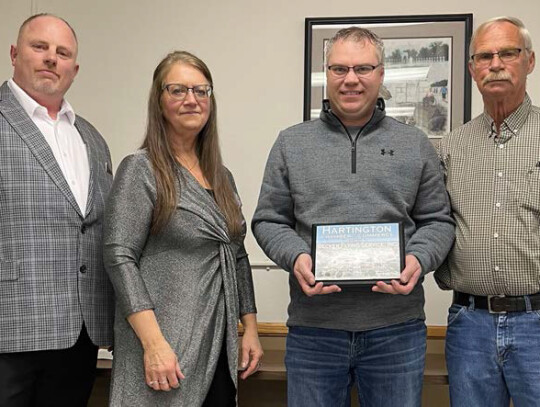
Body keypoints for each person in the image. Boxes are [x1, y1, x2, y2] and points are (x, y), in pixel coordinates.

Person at [252, 27, 454, 407]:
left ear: (381, 74)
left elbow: (438, 221)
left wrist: (418, 259)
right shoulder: (290, 143)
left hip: (396, 330)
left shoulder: (416, 144)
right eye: (339, 69)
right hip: (314, 331)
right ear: (326, 75)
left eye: (363, 68)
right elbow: (268, 220)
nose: (351, 80)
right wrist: (296, 257)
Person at [103, 50, 263, 407]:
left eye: (200, 90)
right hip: (165, 346)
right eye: (177, 90)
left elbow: (236, 254)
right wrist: (153, 343)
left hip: (219, 343)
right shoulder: (141, 170)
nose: (191, 99)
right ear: (159, 101)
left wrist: (249, 327)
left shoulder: (222, 178)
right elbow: (119, 257)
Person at [0, 14, 114, 406]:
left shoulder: (92, 139)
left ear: (74, 68)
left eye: (62, 53)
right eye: (40, 47)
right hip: (9, 330)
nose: (51, 58)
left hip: (80, 334)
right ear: (14, 54)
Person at [435, 16, 540, 407]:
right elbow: (432, 224)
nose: (495, 64)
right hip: (469, 324)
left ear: (529, 61)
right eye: (484, 56)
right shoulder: (450, 147)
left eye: (508, 53)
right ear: (472, 69)